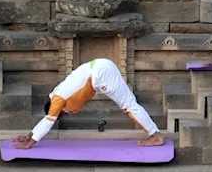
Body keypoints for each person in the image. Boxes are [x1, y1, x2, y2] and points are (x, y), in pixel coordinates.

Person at [10, 58, 164, 150]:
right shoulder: (57, 95)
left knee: (129, 106)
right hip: (102, 66)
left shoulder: (58, 99)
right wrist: (30, 134)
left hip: (100, 74)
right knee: (130, 103)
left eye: (62, 114)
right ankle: (154, 134)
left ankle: (155, 136)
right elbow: (48, 118)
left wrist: (29, 143)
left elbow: (48, 121)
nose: (69, 113)